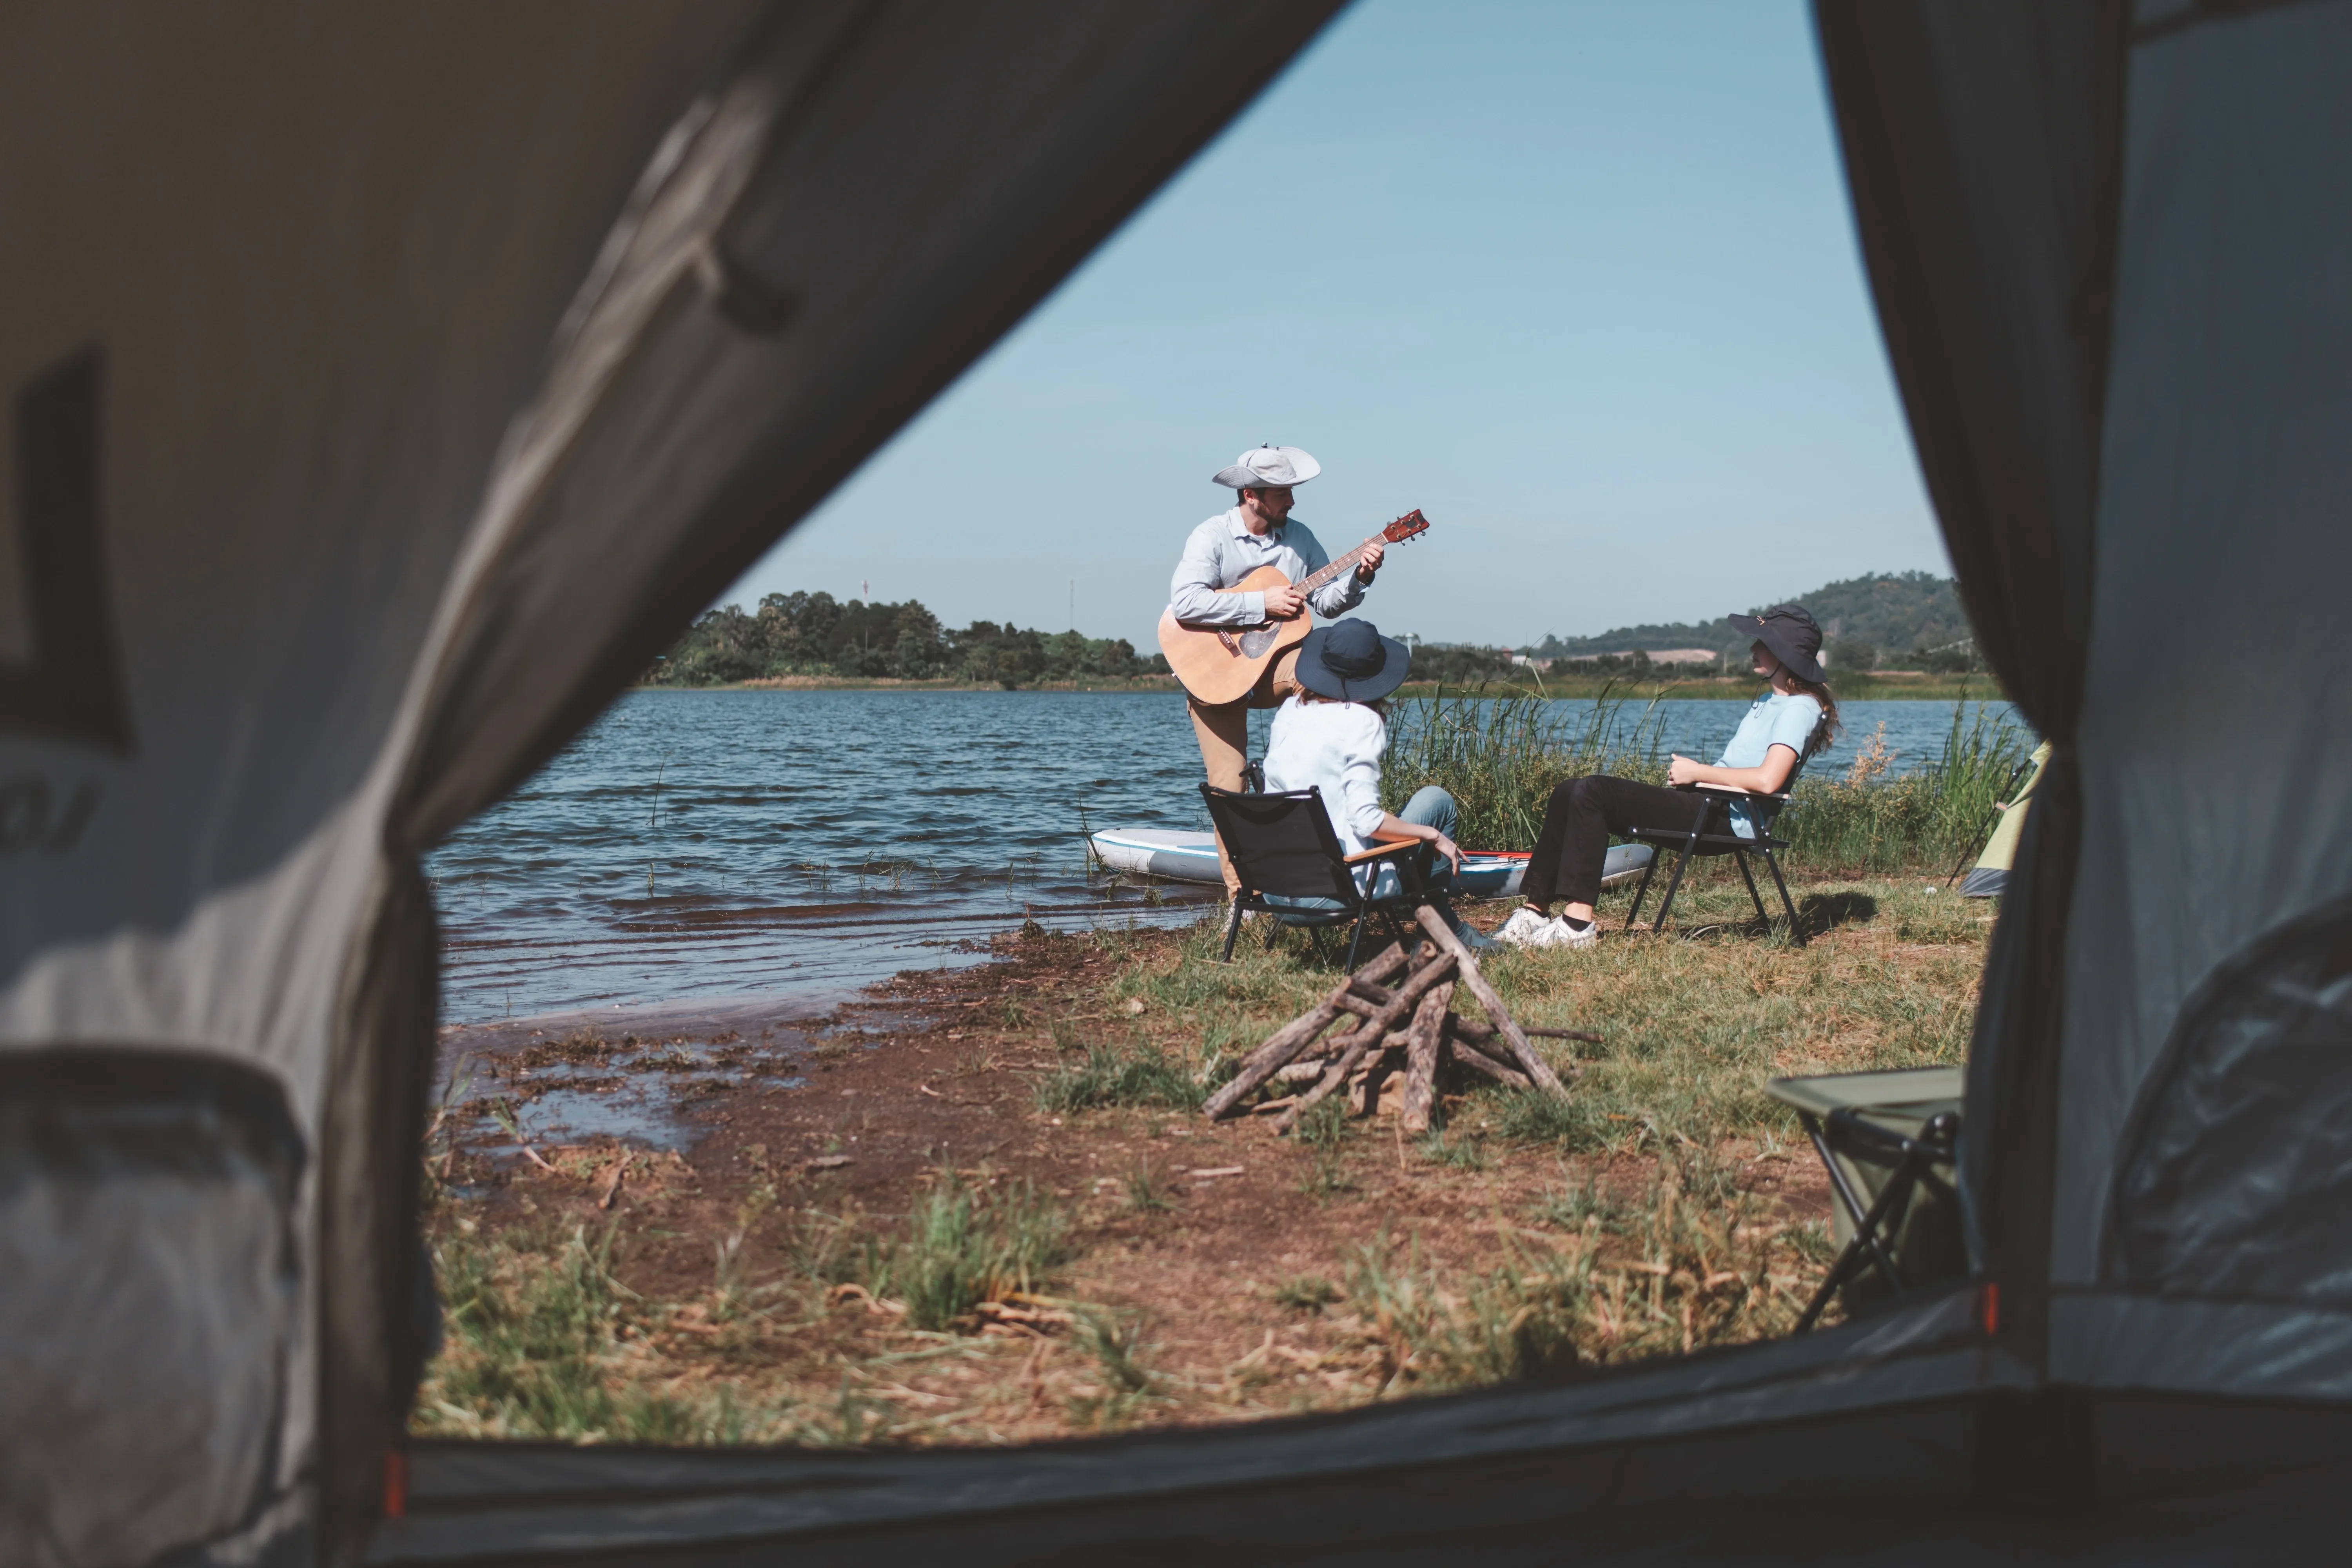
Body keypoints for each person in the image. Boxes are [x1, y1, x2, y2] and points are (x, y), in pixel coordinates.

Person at [1497, 604, 1840, 950]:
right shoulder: (1770, 701)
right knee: (1568, 791)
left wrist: (1698, 772)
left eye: (1762, 643)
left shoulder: (1800, 708)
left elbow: (1770, 781)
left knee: (1592, 791)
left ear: (1784, 652)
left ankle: (1576, 925)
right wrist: (1698, 778)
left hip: (1728, 817)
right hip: (1710, 801)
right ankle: (1535, 912)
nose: (1752, 649)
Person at [1170, 445, 1383, 894]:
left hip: (1272, 670)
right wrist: (1260, 603)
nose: (1292, 501)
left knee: (1322, 677)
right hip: (1213, 674)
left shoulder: (1301, 538)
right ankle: (1241, 900)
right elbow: (1185, 601)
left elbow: (1325, 602)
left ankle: (1331, 828)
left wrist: (1360, 577)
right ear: (1251, 495)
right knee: (1229, 791)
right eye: (1283, 492)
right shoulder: (1211, 536)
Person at [1257, 617, 1495, 949]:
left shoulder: (1290, 711)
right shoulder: (1362, 721)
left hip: (1278, 892)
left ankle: (1433, 919)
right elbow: (1366, 820)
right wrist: (1432, 835)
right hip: (1333, 895)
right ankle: (1441, 929)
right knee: (1436, 802)